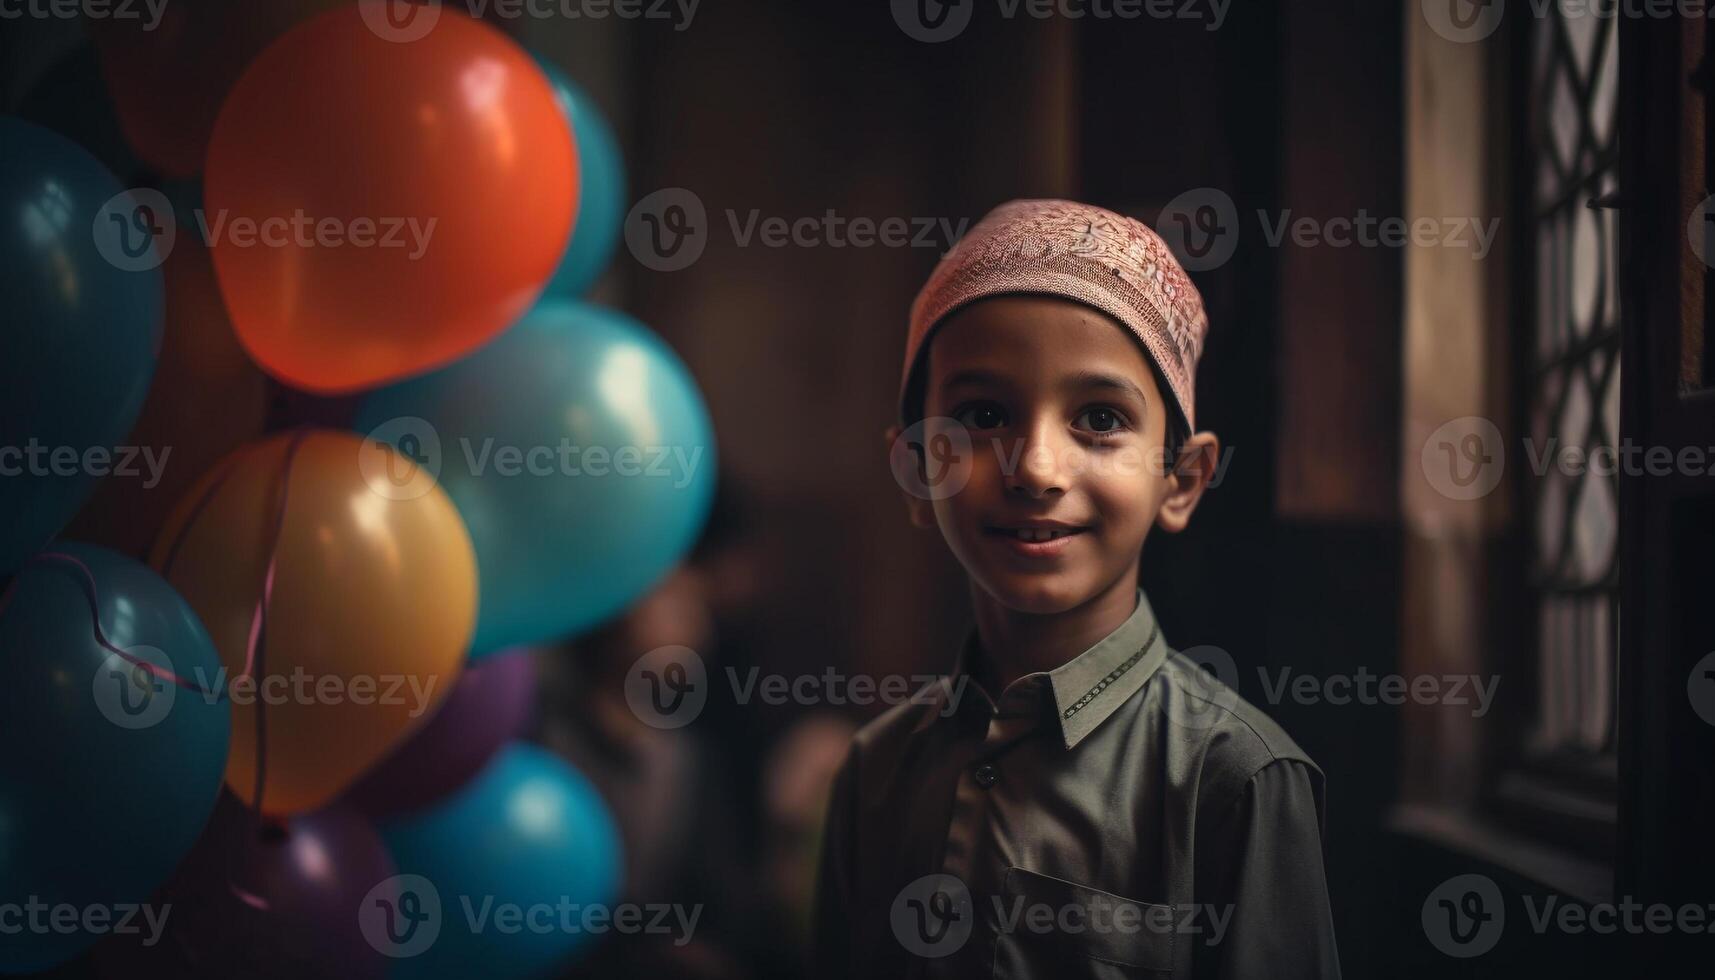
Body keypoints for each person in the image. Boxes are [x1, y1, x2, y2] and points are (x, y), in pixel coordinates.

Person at [812, 200, 1341, 978]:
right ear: (916, 469)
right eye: (983, 414)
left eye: (1098, 418)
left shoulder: (1232, 781)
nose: (1035, 468)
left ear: (1181, 479)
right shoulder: (876, 770)